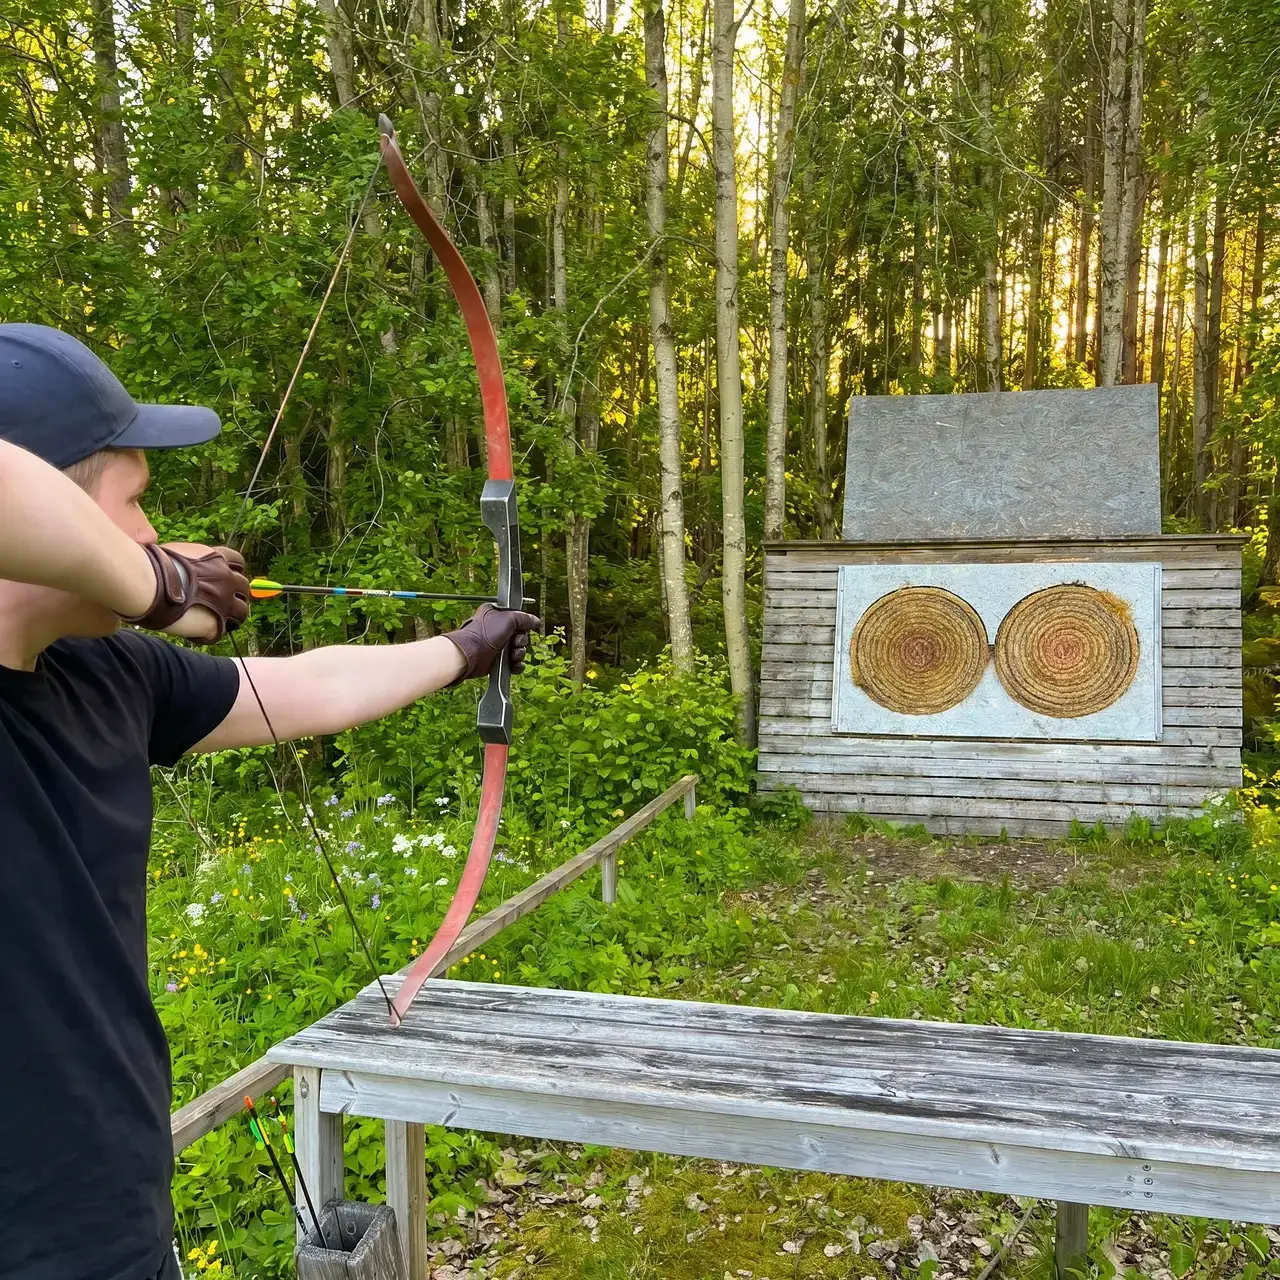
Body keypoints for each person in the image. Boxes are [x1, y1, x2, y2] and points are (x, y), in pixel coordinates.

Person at [0, 323, 540, 1280]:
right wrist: (159, 582)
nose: (152, 530)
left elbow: (304, 689)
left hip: (114, 1217)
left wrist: (463, 650)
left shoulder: (104, 672)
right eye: (134, 502)